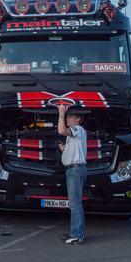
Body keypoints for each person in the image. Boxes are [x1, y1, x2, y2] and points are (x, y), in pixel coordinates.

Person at [57, 103, 87, 244]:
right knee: (74, 203)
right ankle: (74, 232)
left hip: (75, 170)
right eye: (67, 117)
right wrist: (65, 149)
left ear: (78, 119)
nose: (68, 119)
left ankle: (77, 234)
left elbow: (61, 131)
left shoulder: (78, 130)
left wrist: (61, 113)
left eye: (70, 117)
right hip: (73, 170)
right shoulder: (75, 134)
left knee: (75, 204)